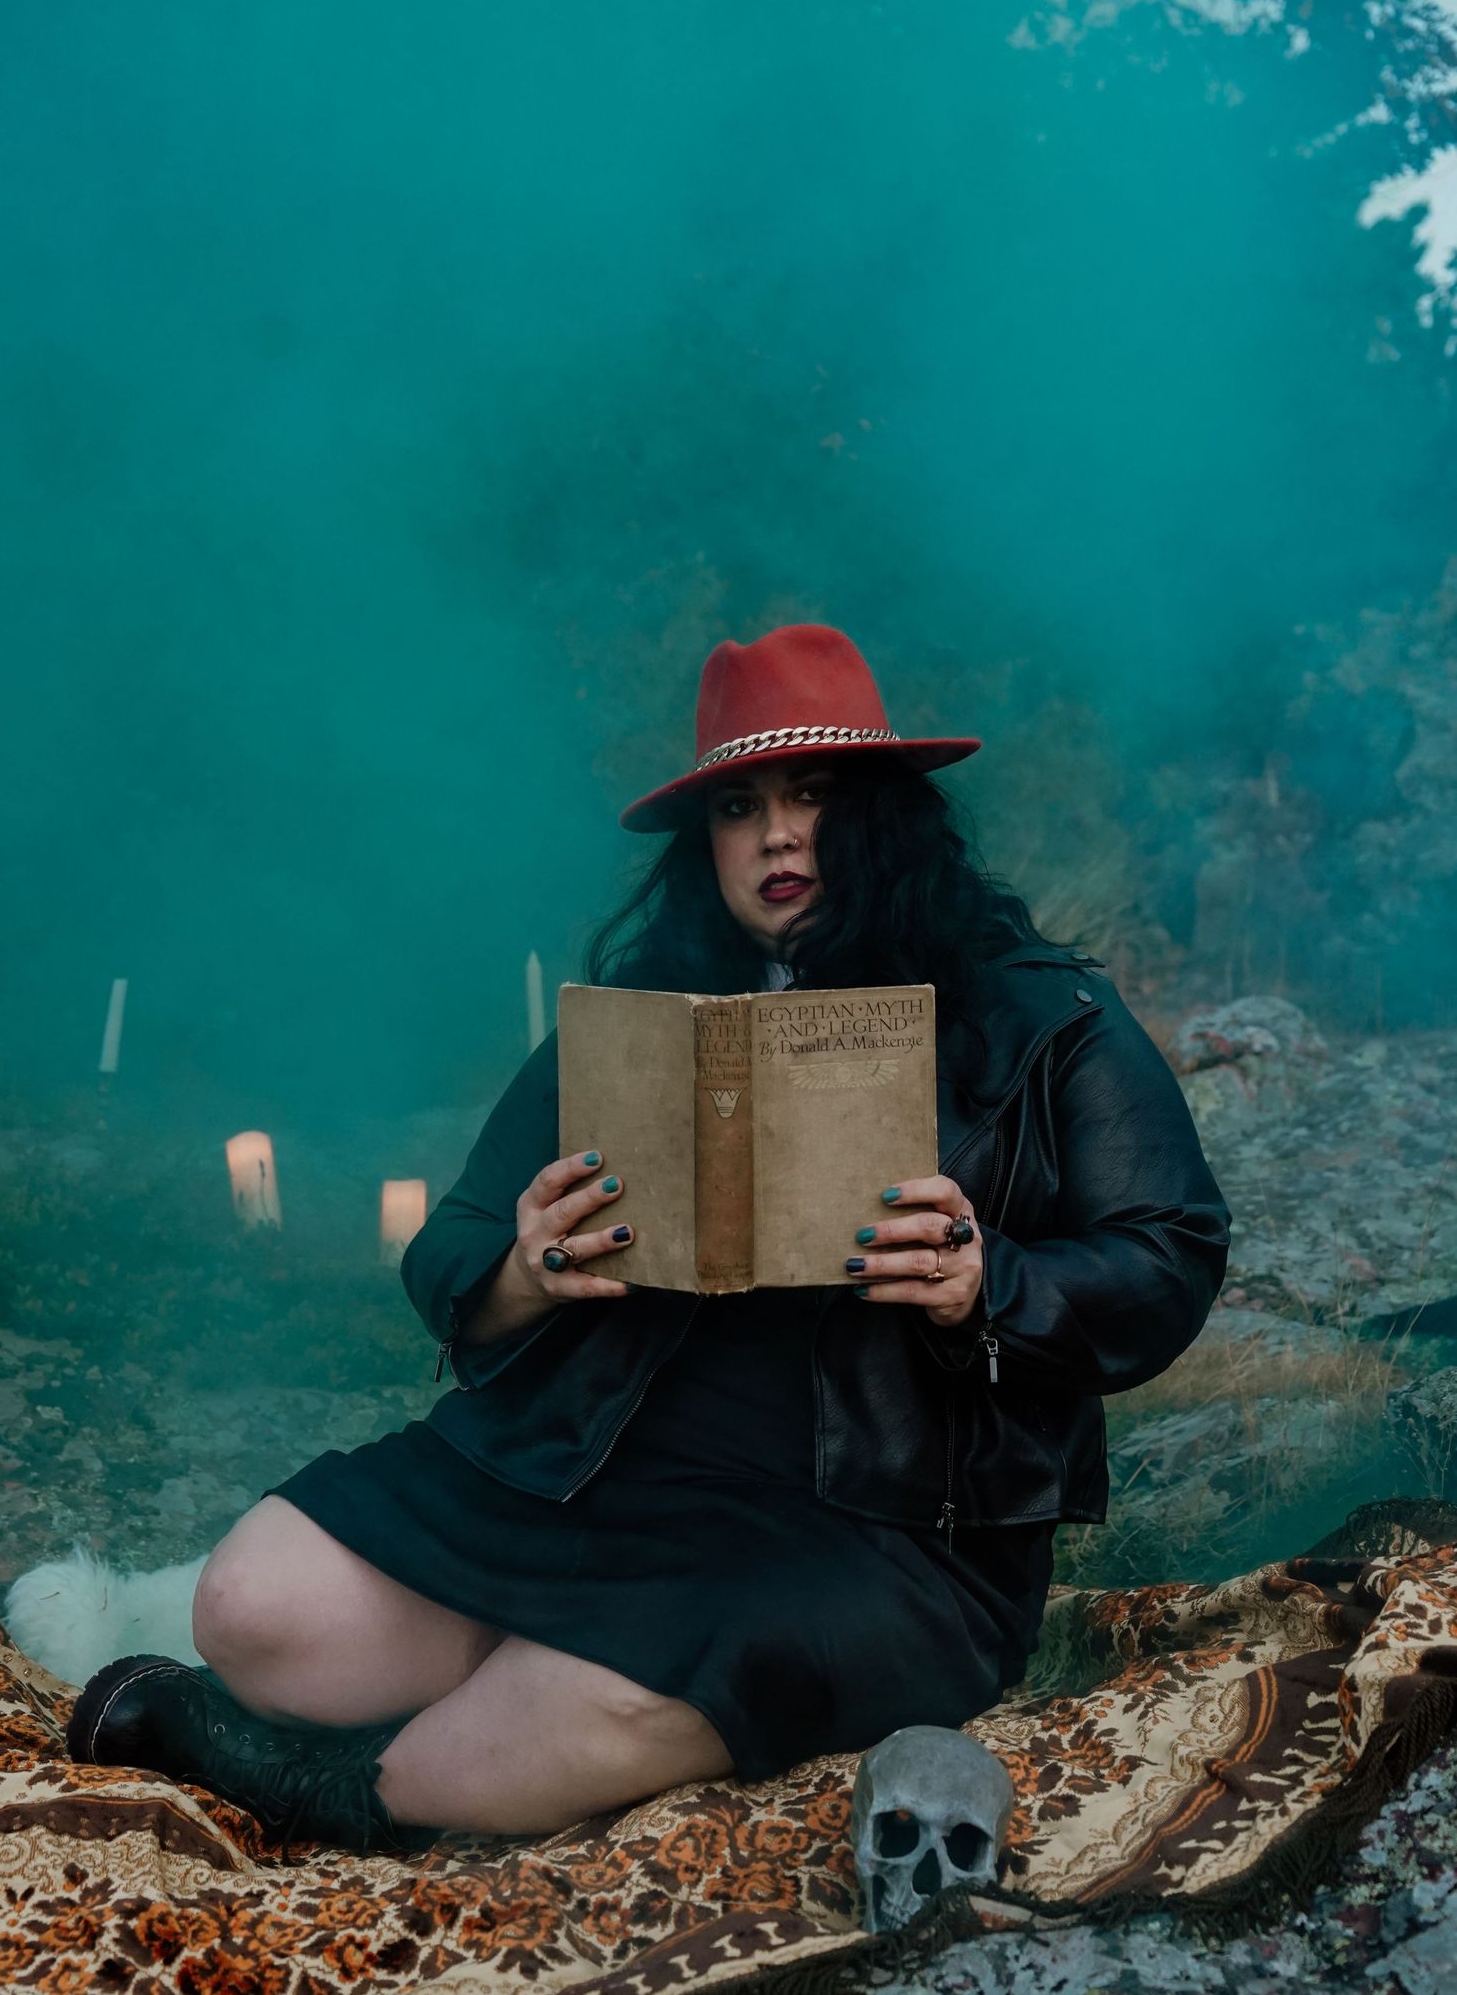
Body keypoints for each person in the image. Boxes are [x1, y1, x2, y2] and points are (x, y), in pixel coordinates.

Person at [67, 623, 1232, 1860]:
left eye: (814, 796)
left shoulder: (1046, 1017)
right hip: (591, 1474)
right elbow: (451, 1246)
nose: (779, 834)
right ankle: (493, 1699)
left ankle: (332, 1789)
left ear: (887, 815)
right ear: (706, 847)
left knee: (604, 1703)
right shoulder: (638, 1024)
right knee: (249, 1607)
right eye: (740, 807)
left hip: (882, 1537)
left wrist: (991, 1281)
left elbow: (1171, 1250)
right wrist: (525, 1270)